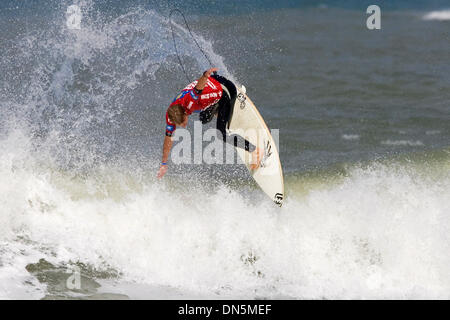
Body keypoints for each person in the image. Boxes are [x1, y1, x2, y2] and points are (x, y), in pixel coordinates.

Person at [157, 67, 261, 179]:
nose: (184, 125)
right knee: (204, 118)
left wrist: (205, 75)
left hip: (225, 91)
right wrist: (163, 163)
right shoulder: (171, 114)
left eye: (183, 122)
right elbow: (168, 138)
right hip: (213, 86)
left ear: (185, 113)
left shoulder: (190, 101)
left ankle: (255, 150)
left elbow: (198, 88)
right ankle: (218, 109)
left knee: (222, 135)